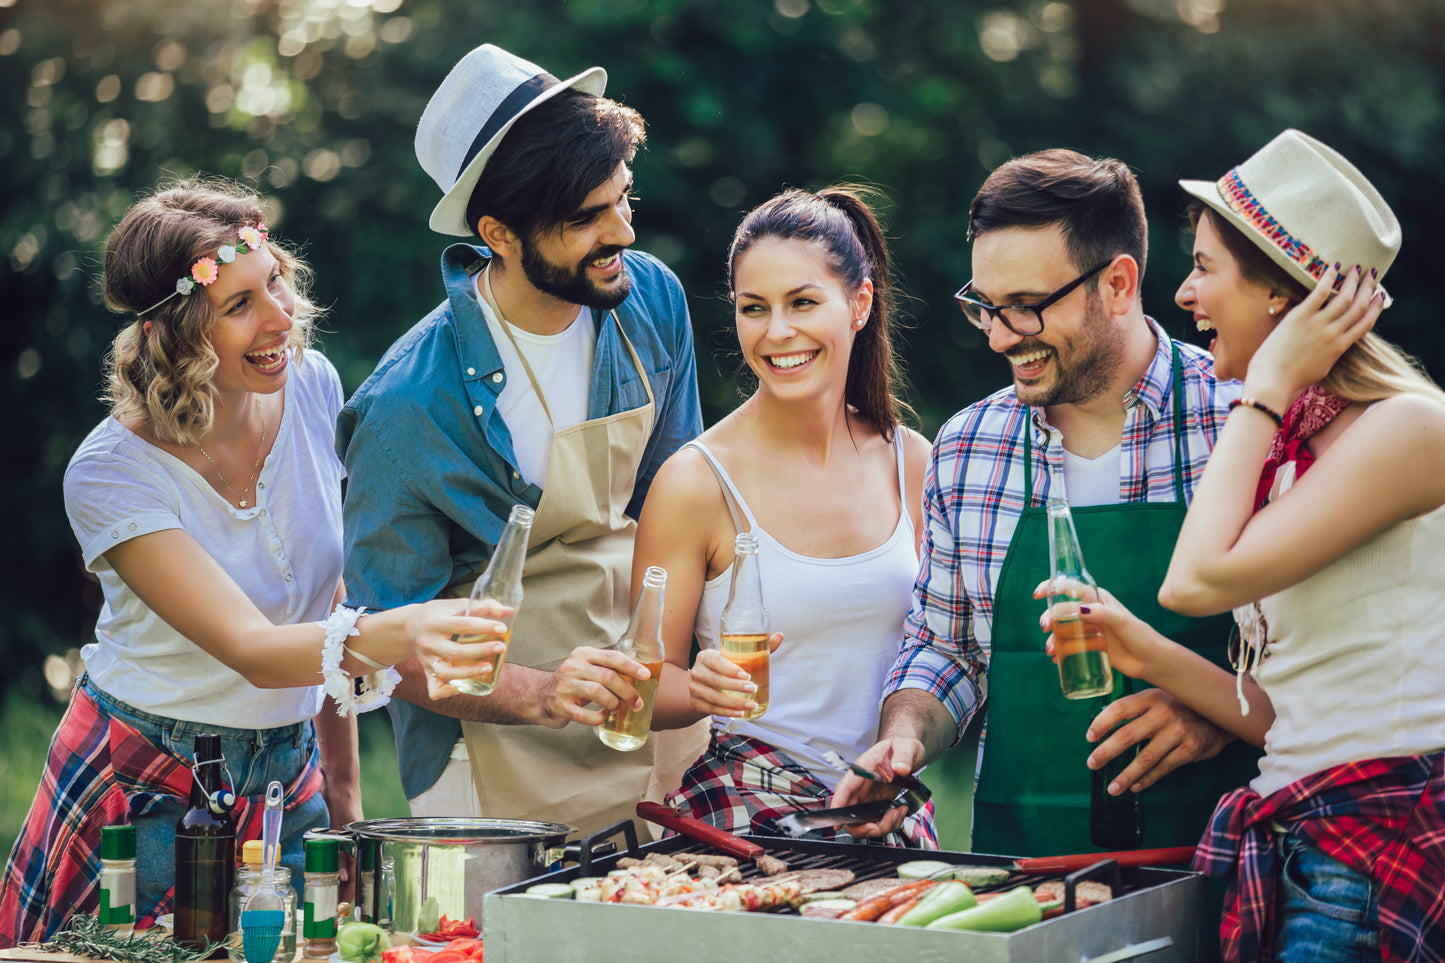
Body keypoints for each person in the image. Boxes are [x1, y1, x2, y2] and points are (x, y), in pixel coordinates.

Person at [0, 180, 502, 947]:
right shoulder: (109, 474)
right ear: (174, 336)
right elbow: (255, 650)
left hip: (284, 770)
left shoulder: (311, 386)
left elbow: (323, 607)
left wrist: (342, 790)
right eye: (238, 305)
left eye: (274, 282)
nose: (280, 318)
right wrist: (412, 627)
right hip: (143, 779)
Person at [1048, 129, 1444, 963]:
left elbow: (1195, 580)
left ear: (1278, 292)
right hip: (1306, 842)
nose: (1184, 293)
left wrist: (1262, 389)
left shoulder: (1408, 429)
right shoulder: (1299, 446)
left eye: (1205, 266)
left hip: (1371, 850)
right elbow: (1280, 714)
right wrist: (1142, 650)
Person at [832, 149, 1262, 857]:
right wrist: (902, 738)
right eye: (985, 307)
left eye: (1027, 307)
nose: (1001, 336)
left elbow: (1318, 653)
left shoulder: (1241, 421)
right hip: (1028, 869)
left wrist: (1216, 711)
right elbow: (945, 647)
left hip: (1223, 862)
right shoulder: (967, 447)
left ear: (1118, 284)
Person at [336, 43, 705, 835]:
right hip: (490, 751)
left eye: (623, 199)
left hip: (651, 712)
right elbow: (383, 646)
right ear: (499, 233)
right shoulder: (407, 404)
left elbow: (682, 505)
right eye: (586, 218)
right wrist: (541, 693)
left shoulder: (652, 303)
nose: (622, 232)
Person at [637, 186, 937, 845]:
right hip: (745, 805)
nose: (776, 332)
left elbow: (940, 651)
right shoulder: (695, 481)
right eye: (753, 308)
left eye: (802, 302)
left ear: (859, 304)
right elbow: (642, 691)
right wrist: (698, 689)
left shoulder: (911, 462)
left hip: (885, 812)